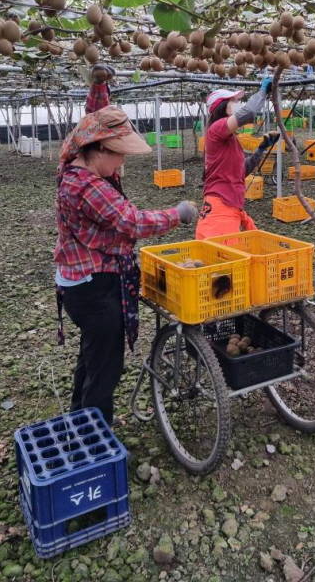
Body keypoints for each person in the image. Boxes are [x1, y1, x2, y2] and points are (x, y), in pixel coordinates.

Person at [54, 64, 197, 425]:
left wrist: (99, 86)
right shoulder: (87, 187)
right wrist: (178, 213)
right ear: (99, 149)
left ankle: (80, 420)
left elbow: (93, 119)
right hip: (94, 287)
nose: (122, 162)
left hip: (80, 282)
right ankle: (94, 438)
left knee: (91, 357)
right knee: (105, 368)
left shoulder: (75, 161)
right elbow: (132, 222)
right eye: (118, 154)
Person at [195, 78, 279, 239]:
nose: (237, 104)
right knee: (224, 256)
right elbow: (249, 113)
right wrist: (262, 92)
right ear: (221, 106)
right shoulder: (216, 128)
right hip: (220, 209)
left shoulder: (229, 138)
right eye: (233, 101)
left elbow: (240, 171)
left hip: (231, 205)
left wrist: (260, 149)